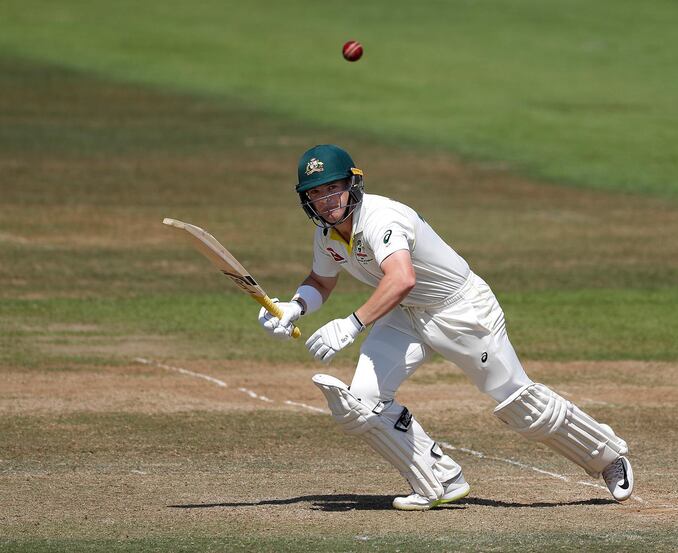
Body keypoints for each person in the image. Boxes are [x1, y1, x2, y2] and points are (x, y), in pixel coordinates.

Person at [258, 144, 634, 511]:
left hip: (460, 309)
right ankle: (439, 479)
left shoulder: (382, 218)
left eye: (333, 187)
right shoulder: (327, 234)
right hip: (405, 314)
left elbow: (401, 277)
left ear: (353, 184)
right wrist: (295, 306)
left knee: (520, 403)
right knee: (363, 403)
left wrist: (352, 323)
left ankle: (607, 456)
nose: (326, 200)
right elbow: (321, 281)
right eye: (316, 193)